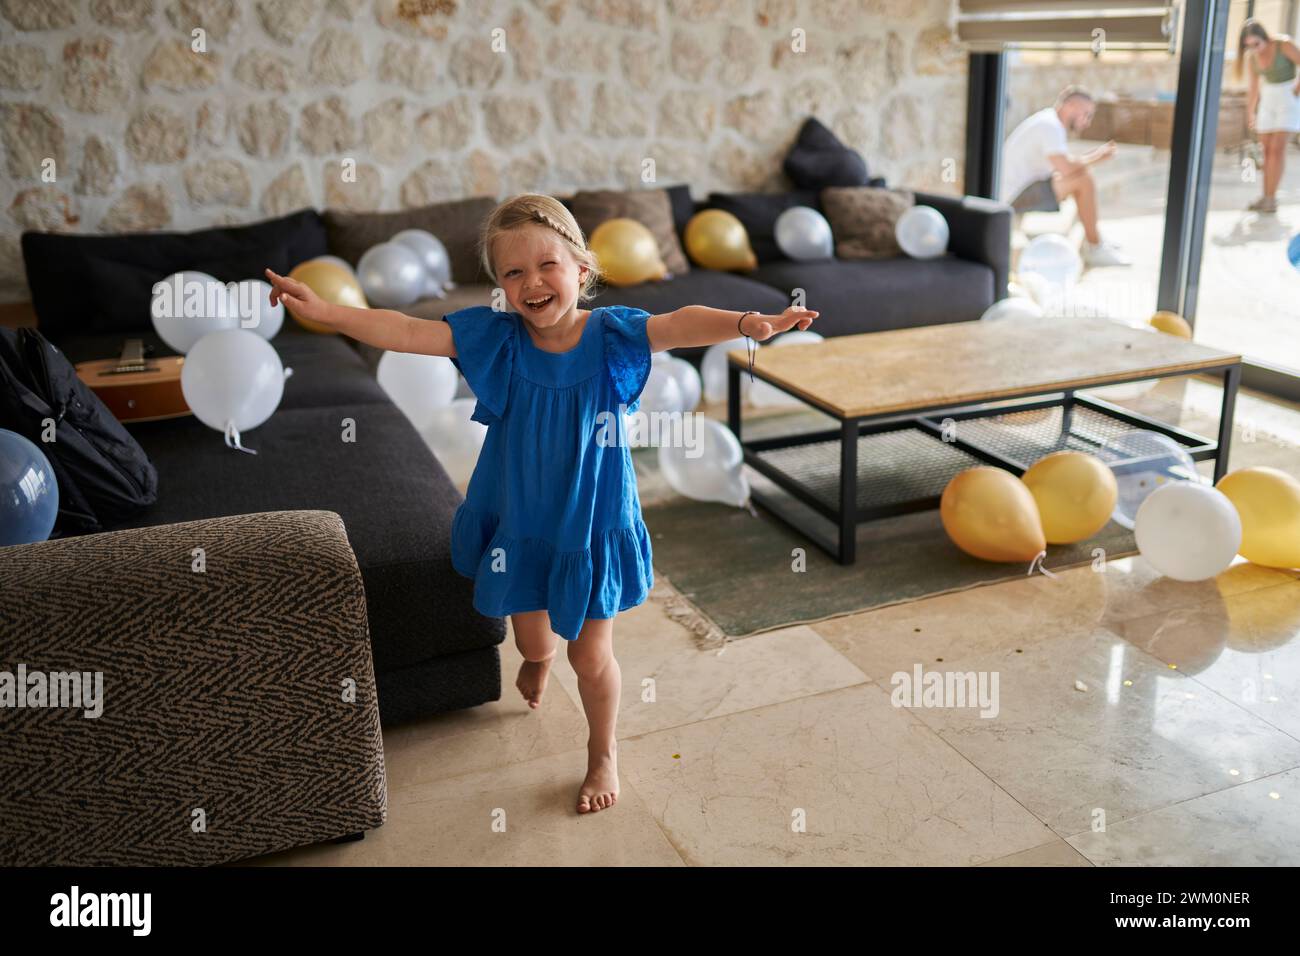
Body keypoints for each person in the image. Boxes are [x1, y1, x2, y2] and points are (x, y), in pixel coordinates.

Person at [265, 194, 817, 814]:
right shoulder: (497, 340)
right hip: (519, 515)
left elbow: (681, 322)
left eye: (546, 265)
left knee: (592, 654)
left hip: (589, 518)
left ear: (582, 270)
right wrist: (327, 312)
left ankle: (603, 750)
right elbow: (406, 329)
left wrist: (747, 322)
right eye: (513, 272)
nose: (532, 282)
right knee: (529, 635)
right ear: (501, 287)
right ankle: (537, 658)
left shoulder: (612, 335)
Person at [1001, 85, 1132, 267]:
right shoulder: (1050, 126)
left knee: (1083, 174)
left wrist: (1091, 159)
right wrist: (1097, 156)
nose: (1087, 122)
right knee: (1083, 181)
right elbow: (1065, 168)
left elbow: (1064, 167)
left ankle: (1094, 238)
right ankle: (1094, 247)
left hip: (1024, 188)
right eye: (1086, 114)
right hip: (1013, 197)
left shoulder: (1049, 121)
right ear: (1069, 106)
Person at [1238, 18, 1300, 214]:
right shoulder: (1252, 58)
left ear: (1264, 37)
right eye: (1248, 46)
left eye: (1256, 44)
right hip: (1268, 100)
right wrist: (1250, 112)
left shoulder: (1284, 44)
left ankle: (1272, 198)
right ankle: (1265, 197)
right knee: (1265, 151)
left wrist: (1297, 89)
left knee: (1277, 149)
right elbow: (1254, 87)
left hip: (1288, 97)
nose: (1254, 49)